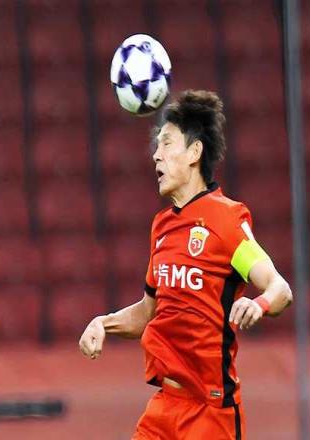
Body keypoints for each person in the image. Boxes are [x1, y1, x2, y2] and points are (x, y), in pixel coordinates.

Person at [79, 90, 293, 439]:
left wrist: (259, 304)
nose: (156, 155)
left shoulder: (226, 221)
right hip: (164, 408)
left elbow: (279, 288)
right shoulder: (162, 227)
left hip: (210, 413)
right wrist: (103, 323)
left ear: (195, 152)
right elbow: (148, 312)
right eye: (156, 146)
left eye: (166, 144)